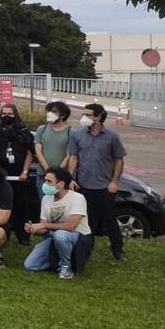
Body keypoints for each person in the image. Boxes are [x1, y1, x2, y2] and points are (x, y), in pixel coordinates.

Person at [68, 103, 128, 262]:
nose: (84, 117)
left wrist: (114, 181)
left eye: (88, 114)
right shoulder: (77, 134)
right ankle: (87, 249)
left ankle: (118, 250)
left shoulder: (112, 137)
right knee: (88, 220)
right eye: (84, 114)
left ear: (99, 117)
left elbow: (119, 160)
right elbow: (73, 157)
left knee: (110, 219)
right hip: (84, 185)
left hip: (105, 186)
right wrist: (70, 179)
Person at [23, 167, 93, 279]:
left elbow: (71, 227)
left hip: (79, 238)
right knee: (30, 265)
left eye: (49, 181)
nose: (45, 184)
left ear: (60, 184)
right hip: (55, 238)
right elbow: (43, 226)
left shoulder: (78, 198)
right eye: (45, 180)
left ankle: (66, 267)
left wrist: (44, 225)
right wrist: (34, 228)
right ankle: (58, 261)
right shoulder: (46, 199)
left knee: (60, 235)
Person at [0, 103, 34, 244]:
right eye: (4, 113)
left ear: (15, 114)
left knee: (22, 205)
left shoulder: (23, 130)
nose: (6, 116)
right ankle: (4, 233)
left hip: (19, 172)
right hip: (2, 172)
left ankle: (23, 236)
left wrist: (25, 172)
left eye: (10, 113)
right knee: (3, 206)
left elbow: (29, 152)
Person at [34, 101, 72, 222]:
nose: (50, 114)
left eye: (54, 112)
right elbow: (38, 151)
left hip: (61, 179)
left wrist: (57, 172)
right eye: (49, 111)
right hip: (43, 176)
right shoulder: (42, 129)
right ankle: (46, 235)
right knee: (45, 208)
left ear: (63, 115)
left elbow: (69, 155)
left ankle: (59, 236)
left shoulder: (70, 131)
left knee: (61, 209)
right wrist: (48, 171)